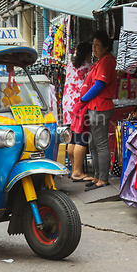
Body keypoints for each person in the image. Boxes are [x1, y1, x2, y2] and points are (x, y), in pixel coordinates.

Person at [80, 31, 117, 190]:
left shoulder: (107, 61)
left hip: (100, 107)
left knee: (100, 144)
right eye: (93, 45)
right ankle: (97, 176)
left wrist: (82, 99)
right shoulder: (101, 60)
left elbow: (99, 85)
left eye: (98, 45)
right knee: (94, 144)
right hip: (95, 107)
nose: (94, 48)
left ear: (106, 47)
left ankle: (103, 178)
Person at [62, 42, 93, 182]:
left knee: (72, 136)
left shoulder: (69, 66)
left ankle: (74, 168)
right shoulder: (89, 67)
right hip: (79, 104)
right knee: (81, 137)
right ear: (88, 53)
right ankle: (78, 172)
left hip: (68, 103)